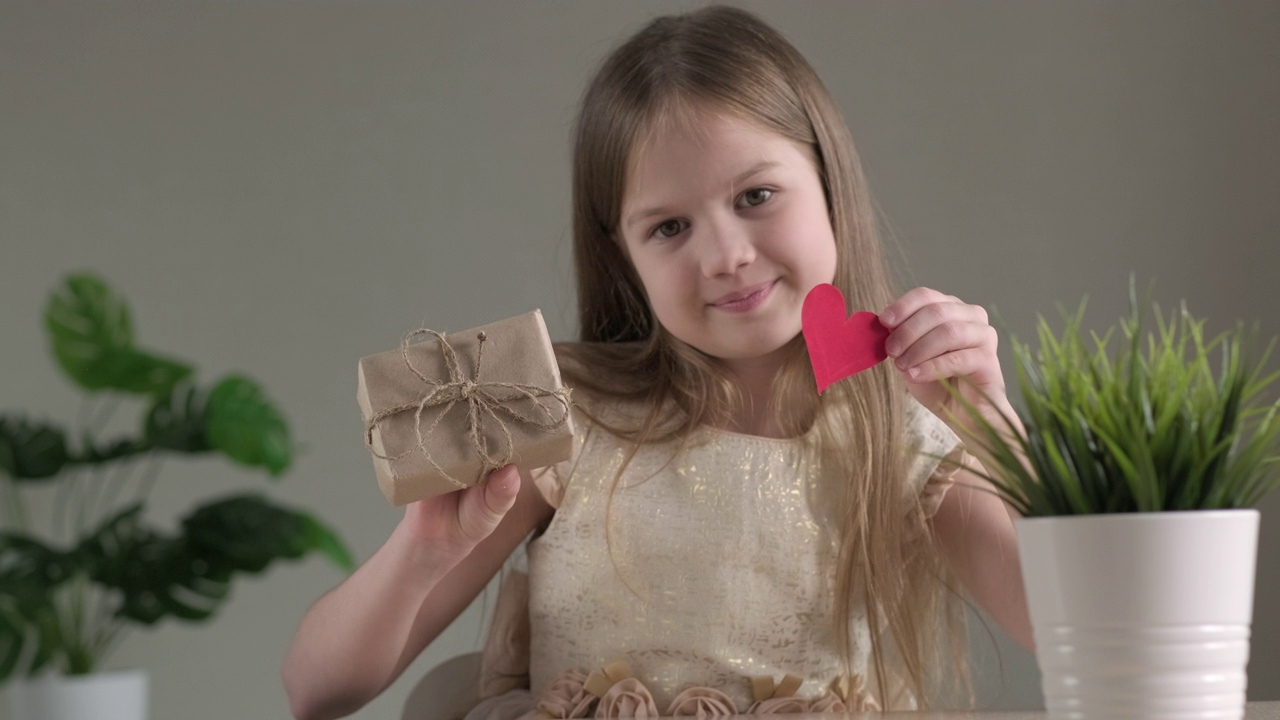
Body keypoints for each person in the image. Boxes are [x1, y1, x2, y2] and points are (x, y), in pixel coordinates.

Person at [282, 6, 1033, 719]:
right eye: (670, 226)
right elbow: (318, 691)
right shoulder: (569, 420)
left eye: (757, 195)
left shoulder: (903, 434)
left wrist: (996, 434)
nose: (726, 256)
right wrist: (421, 551)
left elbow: (1080, 630)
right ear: (624, 254)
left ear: (831, 184)